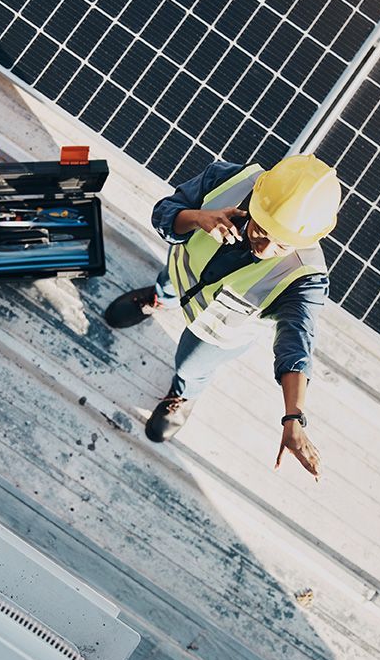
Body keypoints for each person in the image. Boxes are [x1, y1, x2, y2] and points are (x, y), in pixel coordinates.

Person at [104, 154, 342, 481]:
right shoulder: (230, 179)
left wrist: (294, 417)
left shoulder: (306, 278)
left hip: (215, 335)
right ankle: (159, 299)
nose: (264, 245)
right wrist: (197, 218)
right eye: (261, 227)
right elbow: (164, 213)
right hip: (181, 273)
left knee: (189, 365)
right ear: (257, 196)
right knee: (168, 281)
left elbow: (296, 345)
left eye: (282, 244)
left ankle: (184, 394)